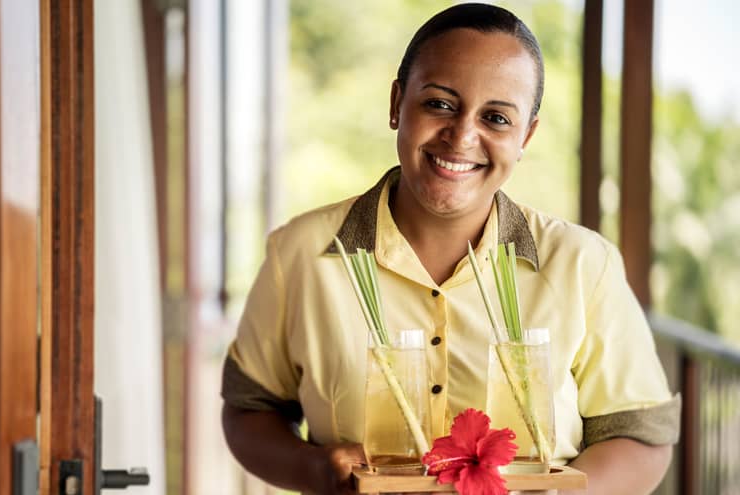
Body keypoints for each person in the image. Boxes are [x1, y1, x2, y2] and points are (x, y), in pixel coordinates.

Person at [221, 4, 680, 494]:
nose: (462, 136)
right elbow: (250, 410)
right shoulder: (300, 253)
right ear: (398, 102)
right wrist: (316, 469)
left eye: (497, 117)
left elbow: (640, 436)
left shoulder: (583, 263)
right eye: (439, 103)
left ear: (526, 135)